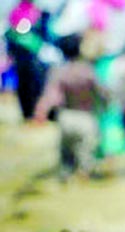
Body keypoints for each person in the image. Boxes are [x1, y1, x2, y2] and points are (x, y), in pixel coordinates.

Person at [32, 33, 109, 179]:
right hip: (86, 117)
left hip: (66, 118)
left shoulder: (59, 71)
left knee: (66, 162)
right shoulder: (87, 70)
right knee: (87, 162)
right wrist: (105, 106)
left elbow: (51, 95)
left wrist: (40, 112)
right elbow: (102, 93)